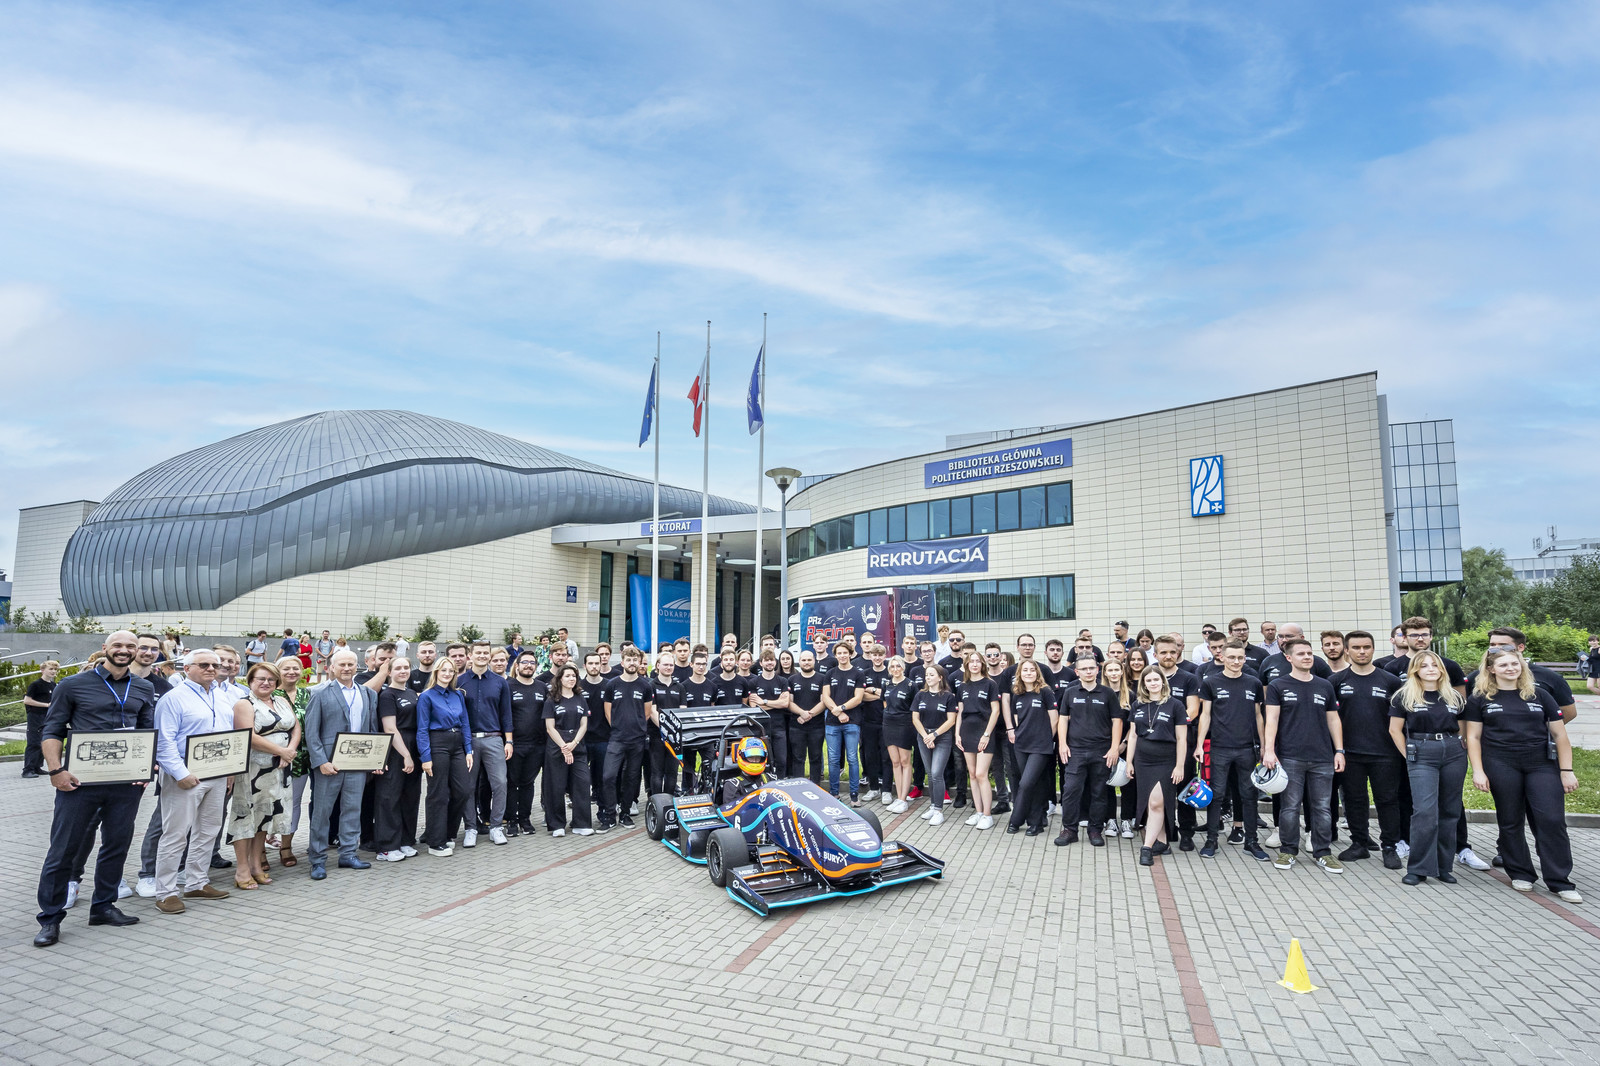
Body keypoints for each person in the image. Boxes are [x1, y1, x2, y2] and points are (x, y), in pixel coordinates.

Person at [31, 633, 156, 947]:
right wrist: (55, 770)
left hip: (125, 782)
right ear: (105, 649)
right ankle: (50, 918)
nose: (124, 651)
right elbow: (52, 729)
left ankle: (103, 906)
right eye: (118, 645)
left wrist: (147, 767)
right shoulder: (72, 685)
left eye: (130, 646)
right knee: (63, 850)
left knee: (117, 844)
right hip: (80, 782)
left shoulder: (143, 687)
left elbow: (146, 730)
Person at [1463, 648, 1582, 902]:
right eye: (1503, 665)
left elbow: (1560, 736)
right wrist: (1478, 771)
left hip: (1541, 764)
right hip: (1501, 764)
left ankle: (1560, 881)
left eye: (1514, 664)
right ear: (1491, 669)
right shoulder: (1480, 699)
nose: (1511, 668)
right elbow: (1473, 737)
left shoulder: (1539, 695)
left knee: (1551, 819)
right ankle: (1521, 873)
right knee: (1510, 820)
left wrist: (1566, 770)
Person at [152, 648, 235, 913]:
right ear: (187, 669)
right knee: (175, 834)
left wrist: (231, 769)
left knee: (208, 830)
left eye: (214, 665)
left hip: (217, 773)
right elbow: (163, 741)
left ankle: (197, 882)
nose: (211, 669)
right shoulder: (173, 698)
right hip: (185, 775)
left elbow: (229, 735)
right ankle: (165, 892)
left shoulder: (221, 696)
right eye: (204, 665)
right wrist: (181, 774)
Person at [1262, 637, 1345, 874]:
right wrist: (1269, 750)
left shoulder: (1324, 685)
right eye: (1301, 654)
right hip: (1290, 757)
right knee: (1289, 807)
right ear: (1289, 658)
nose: (1307, 657)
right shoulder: (1278, 685)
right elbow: (1272, 719)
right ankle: (1288, 851)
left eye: (1309, 653)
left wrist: (1339, 751)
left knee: (1322, 808)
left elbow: (1333, 720)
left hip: (1322, 757)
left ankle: (1323, 853)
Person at [1386, 651, 1466, 886]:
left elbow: (1462, 727)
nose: (1430, 669)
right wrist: (1409, 756)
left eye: (1434, 665)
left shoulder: (1454, 697)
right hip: (1421, 752)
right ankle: (1419, 868)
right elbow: (1394, 730)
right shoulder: (1404, 696)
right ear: (1415, 670)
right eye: (1424, 666)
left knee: (1450, 811)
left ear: (1441, 669)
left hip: (1452, 752)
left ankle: (1443, 867)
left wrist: (1459, 748)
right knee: (1424, 812)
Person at [302, 648, 381, 880]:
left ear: (357, 666)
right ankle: (317, 859)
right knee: (322, 813)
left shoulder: (368, 694)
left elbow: (372, 729)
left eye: (350, 664)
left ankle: (348, 854)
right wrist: (321, 761)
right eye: (342, 665)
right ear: (332, 668)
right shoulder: (319, 693)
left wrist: (374, 759)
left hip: (357, 763)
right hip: (329, 764)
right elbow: (311, 732)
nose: (347, 668)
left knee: (352, 810)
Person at [1332, 632, 1405, 869]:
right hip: (1350, 753)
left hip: (1385, 753)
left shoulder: (1391, 681)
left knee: (1387, 801)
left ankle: (1390, 847)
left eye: (1366, 647)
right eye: (1356, 647)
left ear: (1373, 649)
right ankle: (1359, 843)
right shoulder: (1336, 681)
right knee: (1355, 800)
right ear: (1347, 651)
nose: (1362, 652)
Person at [227, 662, 299, 889]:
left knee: (264, 816)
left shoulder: (281, 700)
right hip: (253, 770)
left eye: (271, 679)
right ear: (250, 681)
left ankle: (256, 865)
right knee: (246, 817)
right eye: (261, 679)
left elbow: (296, 727)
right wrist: (281, 751)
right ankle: (242, 870)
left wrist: (290, 751)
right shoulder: (244, 704)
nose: (266, 683)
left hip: (278, 769)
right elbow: (248, 736)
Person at [1195, 642, 1267, 861]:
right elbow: (1205, 715)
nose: (1236, 661)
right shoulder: (1211, 682)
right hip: (1219, 748)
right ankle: (1211, 841)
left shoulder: (1253, 682)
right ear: (1222, 657)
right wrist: (1199, 745)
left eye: (1240, 657)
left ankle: (1251, 842)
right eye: (1232, 657)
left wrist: (1264, 746)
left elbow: (1258, 715)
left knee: (1249, 795)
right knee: (1216, 795)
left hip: (1247, 749)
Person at [1053, 656, 1123, 847]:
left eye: (1092, 668)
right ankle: (1069, 830)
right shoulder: (1070, 692)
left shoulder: (1108, 693)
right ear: (1077, 672)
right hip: (1075, 751)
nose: (1088, 671)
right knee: (1070, 790)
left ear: (1097, 670)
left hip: (1101, 751)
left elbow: (1117, 721)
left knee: (1098, 792)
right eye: (1084, 669)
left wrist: (1114, 748)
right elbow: (1063, 719)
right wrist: (1062, 744)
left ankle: (1095, 830)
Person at [1126, 665, 1187, 866]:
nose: (1153, 683)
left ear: (1163, 681)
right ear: (1144, 684)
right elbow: (1133, 735)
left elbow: (1182, 739)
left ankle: (1147, 846)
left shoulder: (1175, 705)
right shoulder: (1137, 705)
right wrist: (1129, 762)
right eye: (1149, 680)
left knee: (1155, 803)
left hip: (1166, 760)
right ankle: (1162, 842)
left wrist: (1179, 766)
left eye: (1156, 679)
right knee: (1151, 803)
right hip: (1143, 761)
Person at [458, 640, 512, 846]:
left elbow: (506, 714)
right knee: (468, 786)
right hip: (468, 740)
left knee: (500, 783)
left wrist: (509, 741)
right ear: (470, 656)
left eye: (485, 653)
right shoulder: (460, 681)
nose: (482, 656)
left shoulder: (500, 682)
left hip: (494, 739)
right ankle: (470, 828)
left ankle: (496, 826)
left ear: (489, 656)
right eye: (478, 652)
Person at [418, 658, 474, 856]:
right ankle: (435, 842)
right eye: (444, 670)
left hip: (457, 743)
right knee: (438, 793)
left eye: (451, 671)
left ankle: (448, 833)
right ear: (436, 672)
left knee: (463, 791)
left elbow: (465, 723)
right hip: (437, 743)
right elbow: (422, 728)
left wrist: (468, 750)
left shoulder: (458, 695)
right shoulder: (427, 696)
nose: (447, 674)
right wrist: (425, 757)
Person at [1003, 660, 1060, 837]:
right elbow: (1017, 719)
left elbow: (1054, 719)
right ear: (1019, 674)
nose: (1028, 673)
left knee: (1026, 783)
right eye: (1025, 670)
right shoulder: (1017, 694)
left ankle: (1016, 819)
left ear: (1037, 673)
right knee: (1035, 783)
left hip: (1040, 746)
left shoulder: (1045, 692)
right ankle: (1037, 822)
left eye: (1032, 670)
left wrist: (1046, 739)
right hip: (1021, 745)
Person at [373, 659, 421, 861]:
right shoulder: (387, 695)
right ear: (389, 672)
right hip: (396, 747)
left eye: (406, 667)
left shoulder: (411, 693)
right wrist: (406, 755)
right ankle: (387, 846)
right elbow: (390, 728)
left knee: (410, 796)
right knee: (389, 796)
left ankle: (405, 840)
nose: (403, 671)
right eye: (398, 668)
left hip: (414, 745)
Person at [601, 649, 653, 830]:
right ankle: (609, 815)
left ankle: (625, 814)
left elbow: (647, 713)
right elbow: (608, 712)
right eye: (629, 660)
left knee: (631, 778)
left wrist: (636, 728)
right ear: (622, 662)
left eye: (635, 659)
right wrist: (618, 727)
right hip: (616, 739)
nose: (632, 663)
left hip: (637, 740)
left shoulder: (645, 686)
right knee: (608, 776)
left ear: (639, 662)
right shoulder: (612, 685)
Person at [954, 649, 1002, 830]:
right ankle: (979, 812)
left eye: (977, 661)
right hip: (966, 732)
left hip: (984, 732)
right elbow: (960, 712)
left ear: (982, 664)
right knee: (972, 774)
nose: (974, 664)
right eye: (971, 661)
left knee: (982, 774)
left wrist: (987, 734)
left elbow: (995, 711)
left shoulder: (990, 684)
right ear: (966, 665)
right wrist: (957, 734)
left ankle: (988, 815)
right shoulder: (962, 686)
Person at [544, 664, 594, 837]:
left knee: (582, 784)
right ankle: (557, 824)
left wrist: (574, 743)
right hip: (557, 748)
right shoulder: (551, 700)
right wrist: (564, 747)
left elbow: (584, 724)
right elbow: (550, 727)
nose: (571, 679)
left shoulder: (580, 698)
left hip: (577, 746)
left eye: (574, 676)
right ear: (559, 679)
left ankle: (581, 823)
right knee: (556, 786)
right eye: (567, 676)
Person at [506, 652, 546, 837]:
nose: (528, 665)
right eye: (525, 662)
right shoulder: (508, 686)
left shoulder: (542, 687)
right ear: (517, 665)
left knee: (528, 783)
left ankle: (525, 819)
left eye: (532, 662)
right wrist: (508, 741)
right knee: (512, 783)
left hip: (536, 746)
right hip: (514, 745)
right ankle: (511, 820)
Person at [913, 665, 958, 826]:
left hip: (942, 738)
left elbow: (951, 720)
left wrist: (934, 735)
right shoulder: (920, 695)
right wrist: (926, 736)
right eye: (927, 675)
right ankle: (933, 806)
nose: (928, 677)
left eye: (932, 675)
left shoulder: (948, 696)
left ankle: (939, 811)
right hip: (924, 737)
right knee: (930, 774)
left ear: (940, 677)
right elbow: (915, 718)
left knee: (937, 772)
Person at [823, 643, 867, 803]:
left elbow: (858, 698)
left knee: (852, 758)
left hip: (852, 722)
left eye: (845, 653)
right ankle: (834, 793)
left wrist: (841, 708)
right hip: (832, 723)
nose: (842, 656)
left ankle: (854, 795)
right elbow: (826, 696)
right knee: (833, 759)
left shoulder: (858, 674)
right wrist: (838, 712)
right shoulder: (830, 674)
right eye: (839, 653)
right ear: (835, 655)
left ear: (850, 654)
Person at [880, 655, 918, 812]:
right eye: (892, 666)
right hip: (888, 724)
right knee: (895, 762)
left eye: (898, 666)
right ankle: (898, 797)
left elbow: (915, 707)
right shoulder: (886, 684)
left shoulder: (910, 685)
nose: (895, 669)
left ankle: (903, 798)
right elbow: (885, 702)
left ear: (903, 667)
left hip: (904, 725)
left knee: (905, 761)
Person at [749, 651, 792, 783]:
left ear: (775, 662)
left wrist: (764, 702)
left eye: (772, 660)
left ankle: (779, 785)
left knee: (781, 761)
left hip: (779, 728)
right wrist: (776, 703)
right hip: (760, 729)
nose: (769, 663)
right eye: (766, 660)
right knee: (762, 760)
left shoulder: (783, 681)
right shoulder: (754, 682)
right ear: (761, 663)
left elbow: (785, 704)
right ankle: (763, 785)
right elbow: (754, 707)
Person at [787, 651, 828, 782]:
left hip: (817, 727)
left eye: (809, 660)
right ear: (799, 661)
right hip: (796, 726)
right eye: (803, 660)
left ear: (814, 661)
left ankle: (815, 786)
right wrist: (801, 713)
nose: (806, 663)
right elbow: (789, 702)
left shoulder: (822, 678)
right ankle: (799, 785)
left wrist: (808, 715)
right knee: (798, 758)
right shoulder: (792, 680)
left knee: (815, 758)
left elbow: (824, 701)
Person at [857, 643, 889, 803]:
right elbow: (861, 695)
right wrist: (881, 694)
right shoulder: (864, 674)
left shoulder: (890, 672)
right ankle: (874, 788)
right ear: (870, 656)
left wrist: (874, 691)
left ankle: (886, 790)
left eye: (880, 655)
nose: (877, 658)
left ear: (884, 656)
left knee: (886, 756)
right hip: (868, 721)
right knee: (870, 756)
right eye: (874, 655)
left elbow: (891, 695)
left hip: (886, 721)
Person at [22, 659, 59, 778]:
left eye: (55, 669)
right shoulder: (36, 685)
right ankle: (28, 769)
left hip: (47, 716)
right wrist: (46, 705)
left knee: (44, 741)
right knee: (34, 742)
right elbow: (27, 700)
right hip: (35, 715)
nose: (53, 671)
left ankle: (37, 766)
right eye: (50, 669)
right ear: (42, 670)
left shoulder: (53, 685)